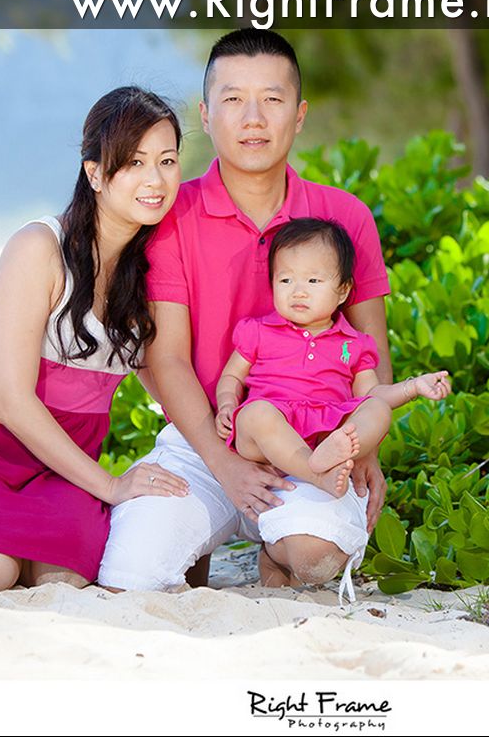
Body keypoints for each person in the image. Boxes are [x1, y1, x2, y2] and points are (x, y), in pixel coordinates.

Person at [99, 29, 393, 596]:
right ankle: (205, 540)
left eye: (272, 99)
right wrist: (225, 464)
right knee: (131, 577)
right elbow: (168, 360)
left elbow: (372, 351)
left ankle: (274, 555)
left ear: (299, 114)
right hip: (203, 439)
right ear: (206, 115)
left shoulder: (346, 215)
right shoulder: (170, 215)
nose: (253, 118)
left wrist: (366, 449)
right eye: (233, 99)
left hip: (317, 440)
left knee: (313, 559)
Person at [0, 87, 189, 591]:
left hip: (61, 468)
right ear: (94, 173)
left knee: (64, 580)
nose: (155, 180)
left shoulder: (156, 267)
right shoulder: (39, 247)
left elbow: (165, 376)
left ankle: (2, 548)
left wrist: (218, 448)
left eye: (167, 161)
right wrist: (111, 485)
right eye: (134, 162)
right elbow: (9, 403)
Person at [217, 218, 452, 520]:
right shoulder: (259, 331)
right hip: (267, 434)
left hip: (326, 434)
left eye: (313, 281)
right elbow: (232, 375)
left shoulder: (353, 344)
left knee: (378, 408)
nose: (298, 291)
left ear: (342, 291)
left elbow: (370, 394)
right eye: (286, 280)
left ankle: (324, 458)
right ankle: (318, 473)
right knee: (256, 413)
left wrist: (413, 387)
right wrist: (227, 403)